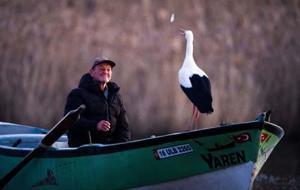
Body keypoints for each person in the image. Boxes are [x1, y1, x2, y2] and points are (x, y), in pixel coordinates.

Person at [64, 58, 130, 147]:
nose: (105, 72)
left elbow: (123, 126)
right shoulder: (77, 94)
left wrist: (123, 147)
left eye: (108, 69)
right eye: (102, 69)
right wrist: (95, 126)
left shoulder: (116, 96)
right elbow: (70, 121)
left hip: (111, 150)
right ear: (91, 72)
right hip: (84, 150)